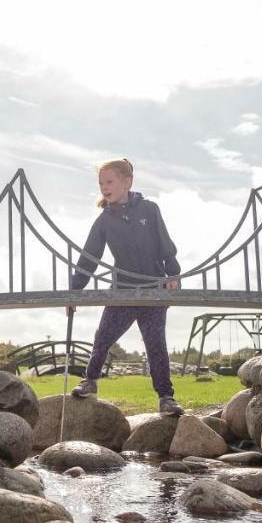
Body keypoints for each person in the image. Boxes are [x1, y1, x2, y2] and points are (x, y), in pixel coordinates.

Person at [68, 158, 184, 416]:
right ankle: (90, 380)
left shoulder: (150, 210)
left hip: (154, 290)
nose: (104, 187)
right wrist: (74, 290)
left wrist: (173, 273)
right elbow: (89, 257)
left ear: (127, 182)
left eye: (109, 182)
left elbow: (165, 244)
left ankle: (166, 398)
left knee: (156, 345)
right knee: (103, 337)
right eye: (100, 183)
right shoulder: (104, 221)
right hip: (122, 291)